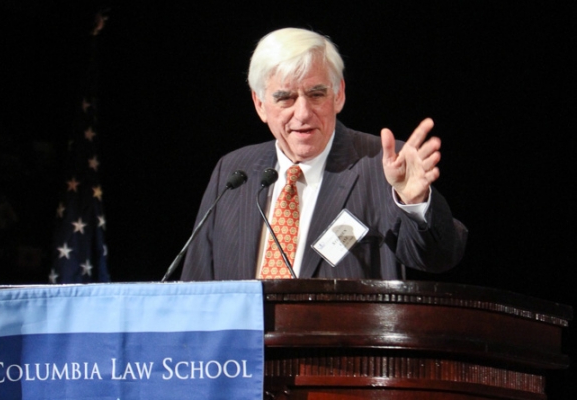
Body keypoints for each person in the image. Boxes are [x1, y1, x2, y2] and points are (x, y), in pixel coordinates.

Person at [180, 27, 467, 281]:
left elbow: (439, 257)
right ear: (260, 104)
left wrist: (415, 202)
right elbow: (196, 285)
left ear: (338, 94)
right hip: (244, 342)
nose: (303, 114)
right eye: (285, 98)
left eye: (316, 94)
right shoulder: (232, 172)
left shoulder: (383, 166)